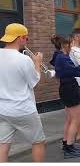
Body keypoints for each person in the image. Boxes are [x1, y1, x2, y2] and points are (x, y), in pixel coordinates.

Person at [0, 23, 45, 162]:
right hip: (23, 109)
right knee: (38, 142)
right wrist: (37, 63)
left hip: (3, 109)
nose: (27, 41)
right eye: (26, 38)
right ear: (20, 38)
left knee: (3, 143)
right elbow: (34, 81)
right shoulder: (24, 59)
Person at [50, 34, 80, 158]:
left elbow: (71, 70)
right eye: (70, 44)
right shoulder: (62, 57)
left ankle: (66, 143)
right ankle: (69, 148)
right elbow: (78, 72)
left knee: (69, 119)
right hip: (70, 89)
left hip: (66, 88)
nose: (71, 46)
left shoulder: (58, 56)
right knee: (75, 119)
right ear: (64, 45)